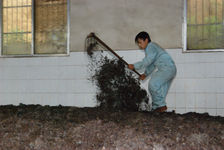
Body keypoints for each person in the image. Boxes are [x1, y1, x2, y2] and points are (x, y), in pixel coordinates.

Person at [128, 31, 176, 112]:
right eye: (138, 43)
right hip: (171, 70)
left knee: (153, 84)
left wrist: (134, 66)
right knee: (161, 92)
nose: (139, 45)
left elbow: (147, 61)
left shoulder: (150, 46)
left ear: (146, 40)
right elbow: (152, 64)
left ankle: (160, 106)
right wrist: (145, 74)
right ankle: (156, 109)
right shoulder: (153, 48)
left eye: (140, 42)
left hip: (166, 68)